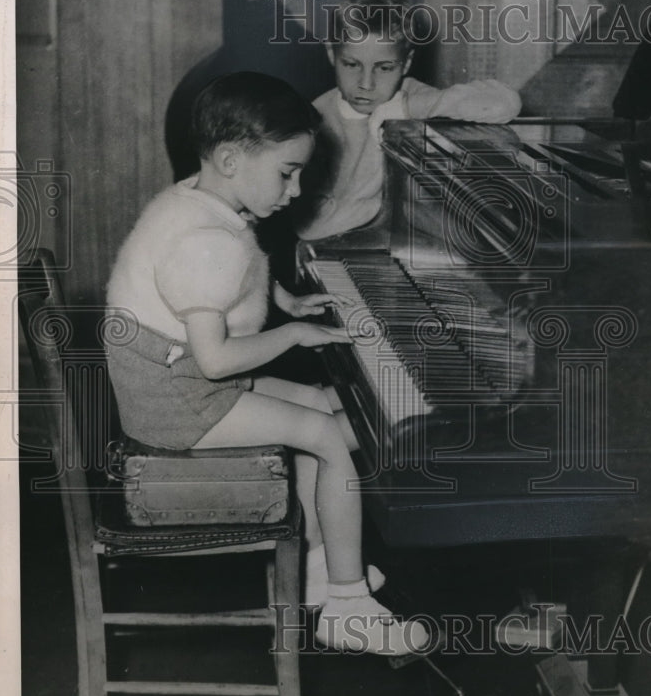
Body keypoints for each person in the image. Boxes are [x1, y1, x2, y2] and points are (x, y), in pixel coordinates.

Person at [105, 71, 428, 656]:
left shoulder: (193, 199)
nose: (298, 189)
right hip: (180, 402)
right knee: (327, 435)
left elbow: (235, 275)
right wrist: (296, 332)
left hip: (169, 380)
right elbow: (215, 359)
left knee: (321, 404)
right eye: (288, 172)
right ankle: (349, 607)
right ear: (231, 159)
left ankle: (321, 566)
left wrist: (284, 300)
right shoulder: (206, 243)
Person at [293, 0, 522, 241]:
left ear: (407, 63)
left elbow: (506, 103)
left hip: (422, 240)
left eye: (385, 68)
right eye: (352, 64)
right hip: (342, 252)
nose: (366, 84)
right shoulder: (314, 119)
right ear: (331, 55)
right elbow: (309, 228)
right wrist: (377, 202)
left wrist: (408, 108)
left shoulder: (411, 97)